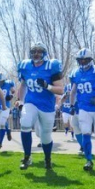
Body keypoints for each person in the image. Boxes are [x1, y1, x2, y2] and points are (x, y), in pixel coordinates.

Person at [16, 42, 63, 170]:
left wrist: (47, 86)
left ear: (44, 53)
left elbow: (61, 90)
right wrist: (20, 100)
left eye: (39, 51)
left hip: (47, 106)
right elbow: (23, 85)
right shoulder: (25, 66)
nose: (36, 54)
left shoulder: (51, 66)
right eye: (34, 51)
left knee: (45, 136)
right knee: (25, 123)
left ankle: (47, 159)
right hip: (31, 102)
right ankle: (27, 157)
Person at [0, 72, 15, 149]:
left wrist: (11, 96)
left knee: (2, 123)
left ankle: (0, 143)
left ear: (4, 80)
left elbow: (13, 91)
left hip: (5, 106)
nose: (0, 83)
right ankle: (8, 130)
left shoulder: (8, 83)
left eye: (1, 81)